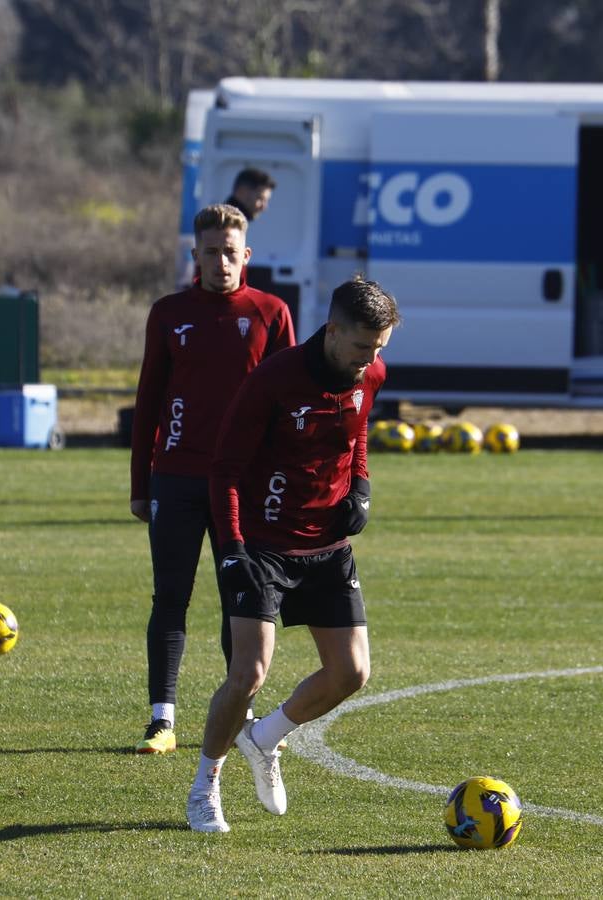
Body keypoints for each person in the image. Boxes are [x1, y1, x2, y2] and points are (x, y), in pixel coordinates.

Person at [186, 276, 399, 833]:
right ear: (331, 332)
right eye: (361, 347)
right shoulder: (273, 382)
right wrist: (232, 549)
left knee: (352, 672)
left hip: (328, 546)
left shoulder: (371, 373)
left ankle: (265, 739)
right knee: (248, 674)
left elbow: (358, 435)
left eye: (379, 348)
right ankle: (204, 785)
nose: (370, 360)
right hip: (262, 546)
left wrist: (362, 486)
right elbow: (226, 471)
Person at [129, 203, 294, 754]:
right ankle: (161, 719)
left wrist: (283, 484)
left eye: (230, 252)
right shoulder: (169, 312)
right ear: (193, 255)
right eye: (210, 252)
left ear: (245, 255)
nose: (221, 261)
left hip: (242, 487)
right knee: (170, 598)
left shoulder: (272, 312)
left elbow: (288, 405)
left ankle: (240, 713)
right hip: (175, 478)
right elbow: (149, 399)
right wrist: (140, 484)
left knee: (239, 602)